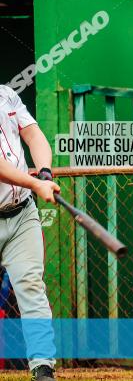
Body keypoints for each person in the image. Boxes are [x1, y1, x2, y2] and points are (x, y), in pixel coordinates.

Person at [0, 85, 61, 381]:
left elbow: (34, 135)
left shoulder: (6, 94)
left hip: (22, 213)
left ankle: (43, 368)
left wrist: (45, 171)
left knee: (32, 287)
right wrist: (36, 184)